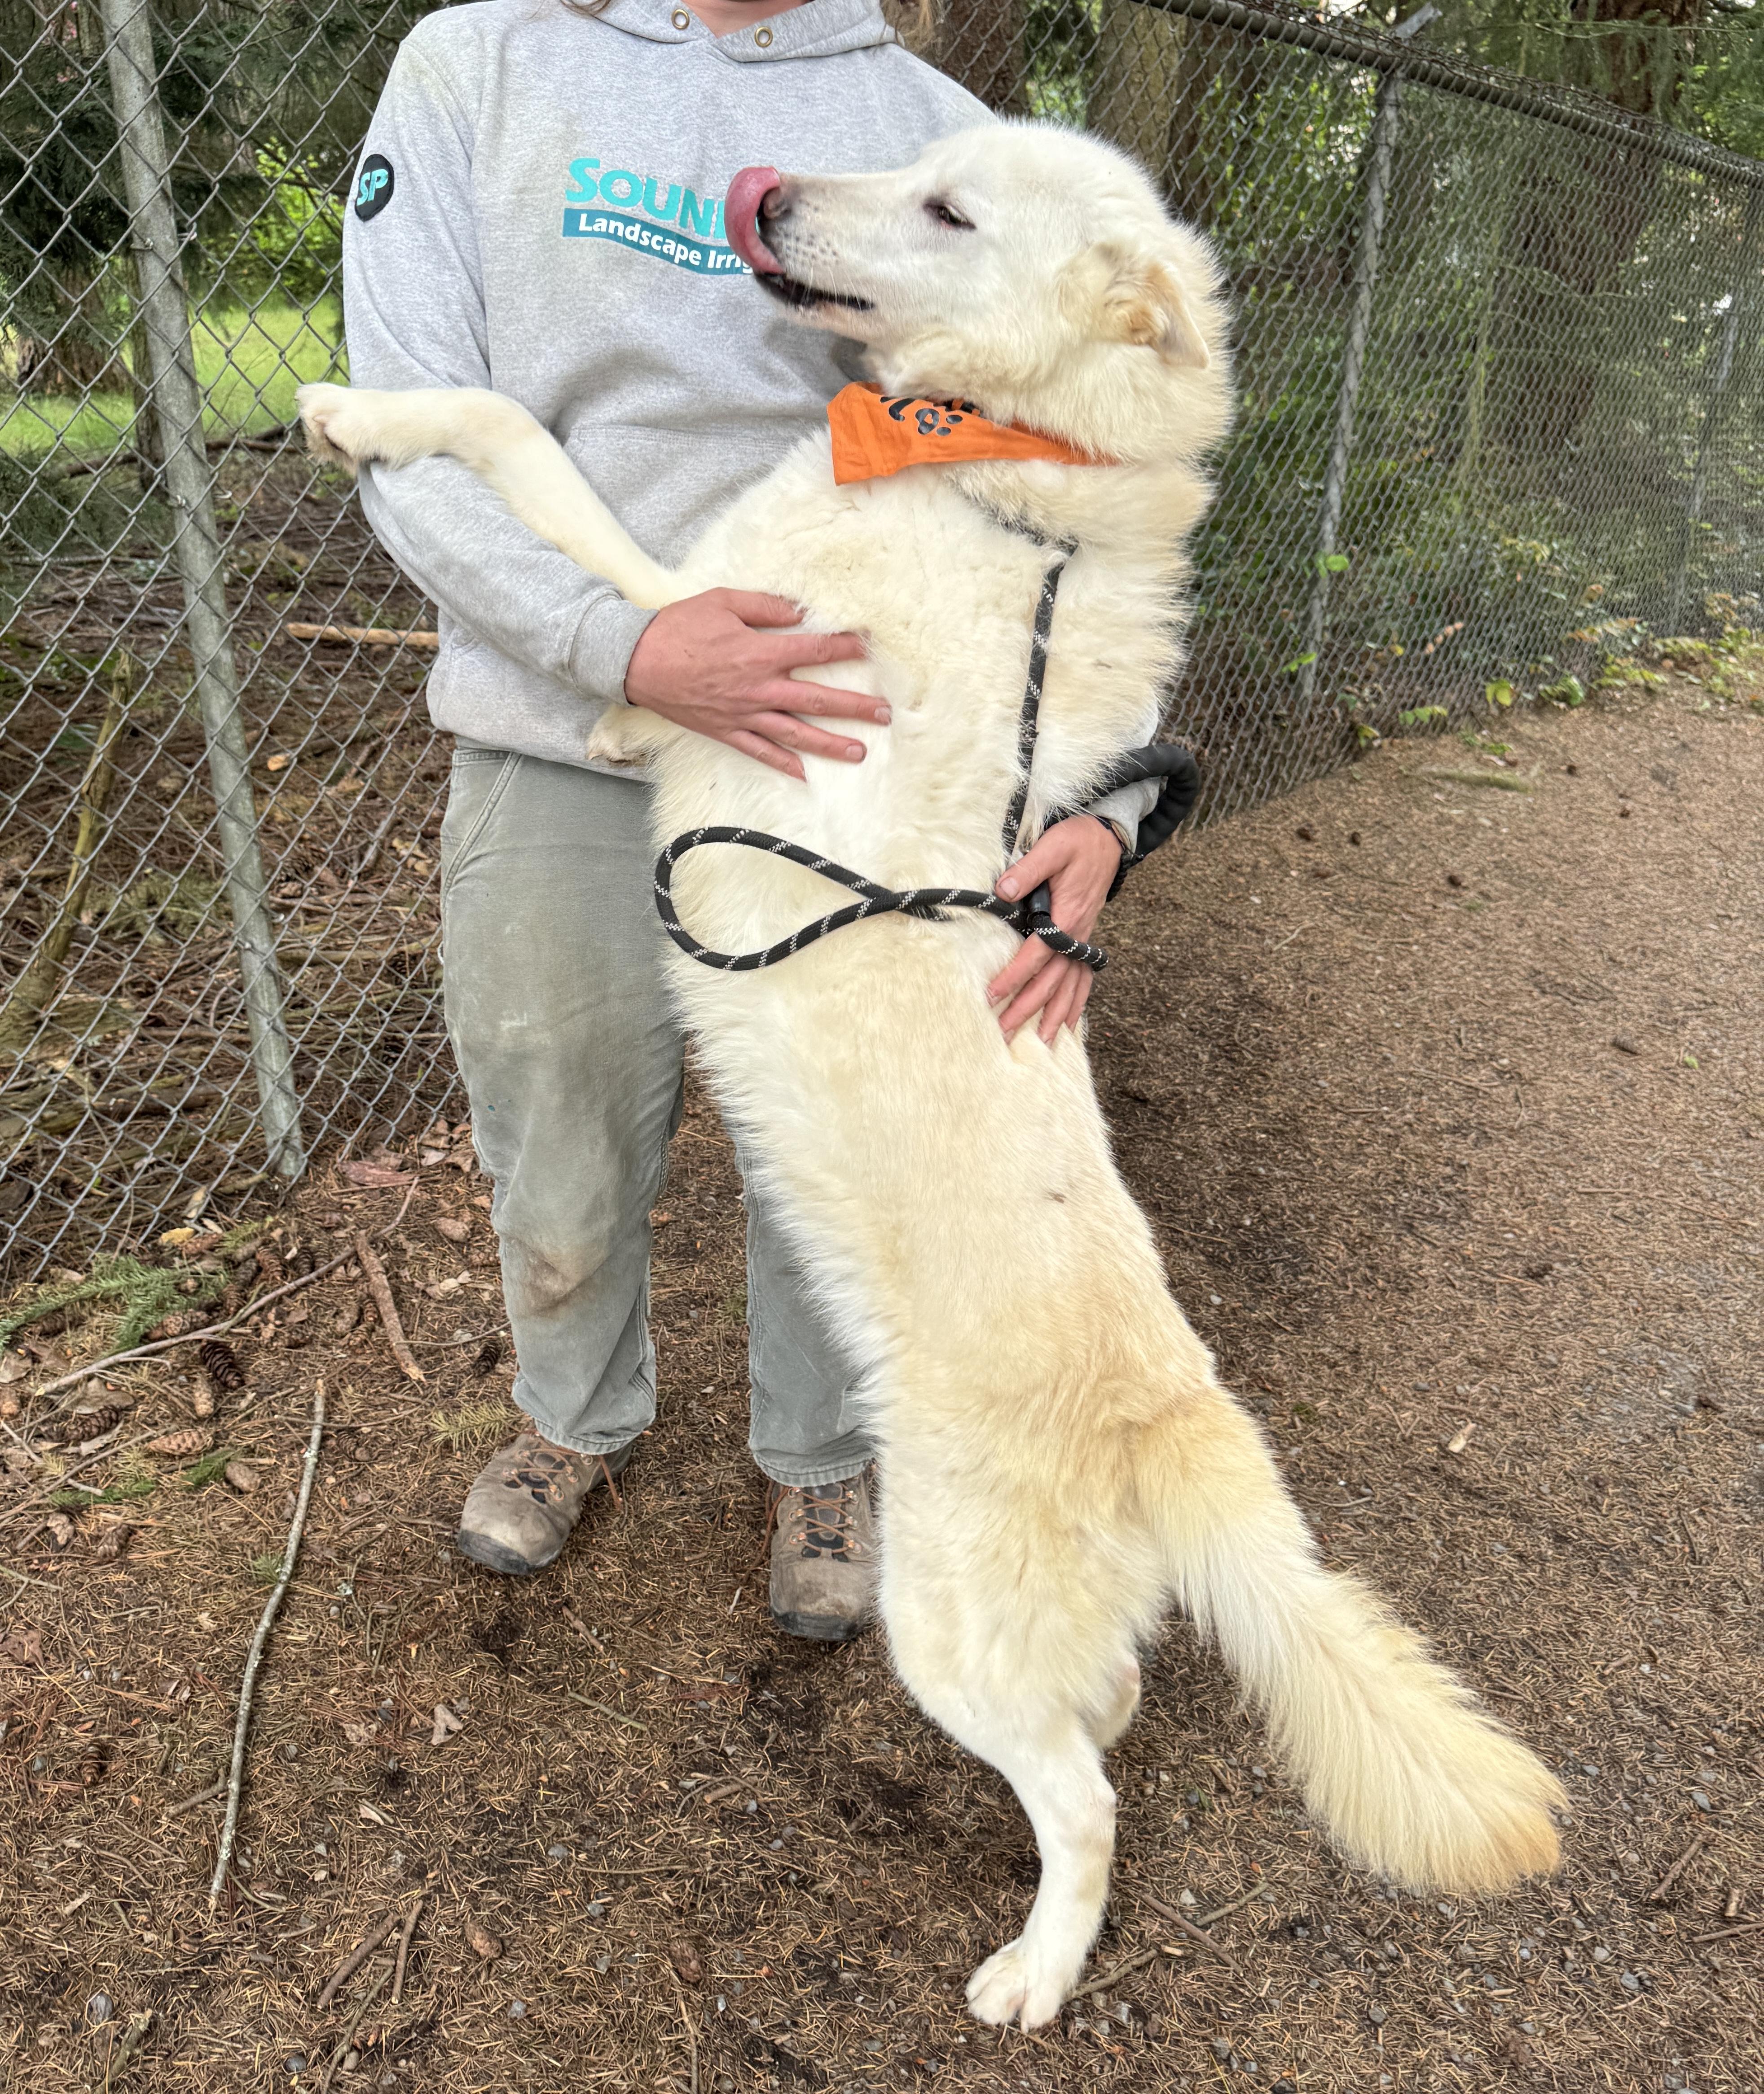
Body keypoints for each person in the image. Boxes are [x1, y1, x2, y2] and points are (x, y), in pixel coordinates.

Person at [343, 0, 1155, 1641]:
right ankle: (572, 1414)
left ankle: (826, 1453)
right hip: (569, 725)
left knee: (844, 1136)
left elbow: (1097, 472)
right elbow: (410, 429)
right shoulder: (480, 62)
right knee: (558, 1128)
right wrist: (625, 643)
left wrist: (1117, 796)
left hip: (869, 756)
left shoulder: (934, 128)